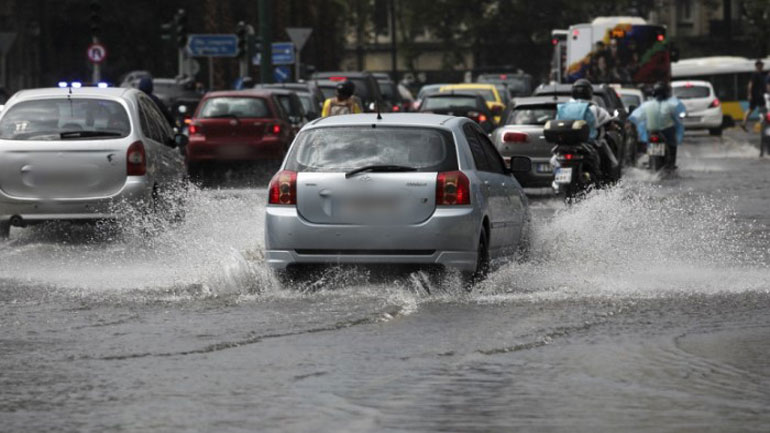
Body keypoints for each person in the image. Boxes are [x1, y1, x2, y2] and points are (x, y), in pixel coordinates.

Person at [556, 78, 619, 181]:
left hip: (564, 145)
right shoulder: (594, 108)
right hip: (589, 144)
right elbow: (608, 122)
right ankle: (608, 182)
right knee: (610, 161)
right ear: (589, 92)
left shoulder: (562, 107)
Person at [629, 81, 685, 170]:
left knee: (648, 142)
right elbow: (677, 118)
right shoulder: (671, 105)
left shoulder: (646, 105)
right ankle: (671, 164)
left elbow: (634, 117)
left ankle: (650, 160)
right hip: (666, 131)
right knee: (672, 144)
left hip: (651, 131)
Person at [742, 60, 767, 131]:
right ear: (757, 66)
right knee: (762, 109)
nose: (762, 66)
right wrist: (749, 94)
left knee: (751, 109)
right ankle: (763, 124)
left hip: (758, 95)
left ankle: (744, 123)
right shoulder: (755, 74)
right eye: (761, 65)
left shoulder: (762, 74)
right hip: (757, 95)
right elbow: (750, 84)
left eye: (762, 65)